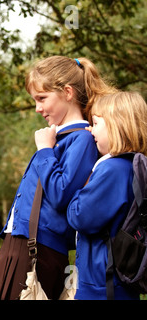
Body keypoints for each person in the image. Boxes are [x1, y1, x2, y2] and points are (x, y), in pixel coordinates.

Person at [0, 56, 117, 300]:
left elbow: (62, 195)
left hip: (41, 250)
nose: (37, 108)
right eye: (35, 100)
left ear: (67, 92)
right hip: (19, 246)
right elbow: (30, 204)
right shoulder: (57, 138)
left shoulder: (82, 139)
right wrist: (3, 254)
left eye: (42, 98)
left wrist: (44, 150)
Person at [67, 92, 147, 300]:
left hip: (102, 284)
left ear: (116, 125)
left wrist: (79, 187)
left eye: (95, 123)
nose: (90, 130)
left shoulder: (112, 169)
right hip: (120, 280)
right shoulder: (134, 165)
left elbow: (80, 217)